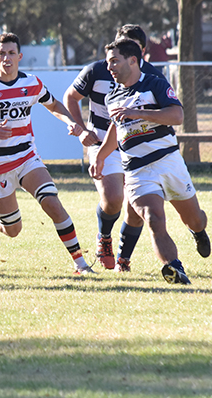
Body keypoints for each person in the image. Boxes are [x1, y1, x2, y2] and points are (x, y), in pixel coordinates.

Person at [0, 32, 94, 276]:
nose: (6, 58)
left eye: (11, 53)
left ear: (20, 56)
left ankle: (80, 264)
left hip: (26, 157)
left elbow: (53, 104)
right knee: (12, 230)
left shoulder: (31, 83)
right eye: (1, 54)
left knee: (53, 203)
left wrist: (70, 122)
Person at [90, 38, 210, 284]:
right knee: (153, 217)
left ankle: (197, 231)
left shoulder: (155, 84)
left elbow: (177, 115)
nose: (109, 67)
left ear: (133, 60)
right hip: (137, 169)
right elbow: (117, 128)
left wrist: (138, 113)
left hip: (169, 162)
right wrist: (101, 156)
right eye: (107, 62)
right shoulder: (111, 97)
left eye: (115, 61)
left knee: (195, 218)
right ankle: (175, 270)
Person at [63, 24, 171, 272]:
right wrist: (81, 130)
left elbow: (169, 110)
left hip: (137, 147)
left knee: (136, 208)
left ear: (139, 53)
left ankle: (124, 258)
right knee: (113, 198)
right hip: (103, 142)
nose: (116, 59)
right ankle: (104, 238)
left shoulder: (153, 77)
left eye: (128, 48)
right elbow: (70, 97)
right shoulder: (96, 70)